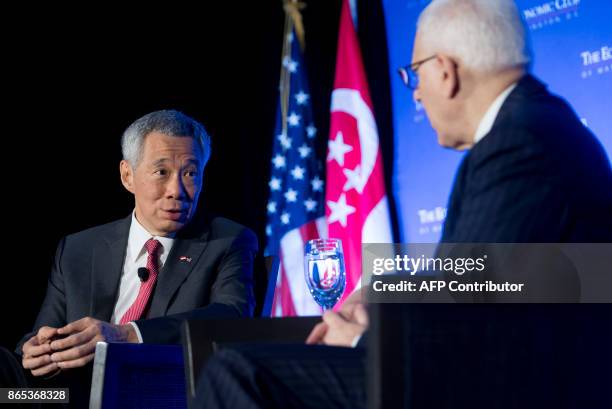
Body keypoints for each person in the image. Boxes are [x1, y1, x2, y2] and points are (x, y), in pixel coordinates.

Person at [193, 0, 612, 408]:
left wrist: (363, 341)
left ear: (445, 71)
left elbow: (471, 309)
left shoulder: (519, 144)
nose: (415, 96)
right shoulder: (537, 127)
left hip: (515, 384)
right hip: (512, 369)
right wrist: (384, 293)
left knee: (239, 371)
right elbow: (480, 276)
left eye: (414, 75)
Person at [0, 109, 257, 405]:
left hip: (157, 396)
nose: (177, 190)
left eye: (190, 173)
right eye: (161, 172)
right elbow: (42, 334)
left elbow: (232, 317)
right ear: (127, 176)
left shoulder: (228, 240)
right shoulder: (79, 248)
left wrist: (124, 335)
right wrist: (36, 351)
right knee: (11, 394)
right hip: (64, 397)